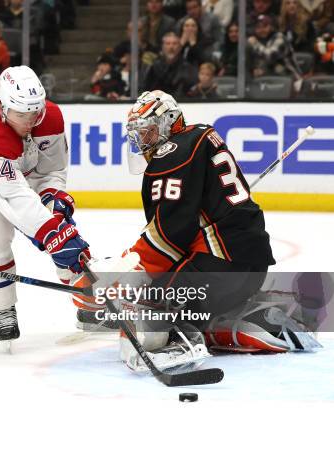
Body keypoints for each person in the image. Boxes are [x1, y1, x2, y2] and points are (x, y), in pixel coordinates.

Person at [113, 90, 311, 370]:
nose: (143, 141)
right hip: (248, 267)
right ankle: (251, 314)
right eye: (138, 134)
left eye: (148, 132)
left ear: (170, 122)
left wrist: (129, 269)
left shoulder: (172, 153)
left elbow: (169, 236)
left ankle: (222, 327)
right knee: (163, 293)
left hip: (219, 269)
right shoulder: (202, 137)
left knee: (144, 305)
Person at [0, 66, 91, 343]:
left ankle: (89, 305)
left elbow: (52, 170)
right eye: (21, 114)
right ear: (2, 108)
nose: (29, 122)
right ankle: (3, 308)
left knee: (62, 226)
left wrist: (53, 198)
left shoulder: (50, 117)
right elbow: (13, 199)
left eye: (35, 113)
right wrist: (50, 234)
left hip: (17, 174)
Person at [143, 32, 198, 98]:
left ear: (180, 47)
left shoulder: (188, 68)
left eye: (174, 44)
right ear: (163, 47)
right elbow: (147, 90)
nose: (171, 47)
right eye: (168, 44)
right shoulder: (154, 68)